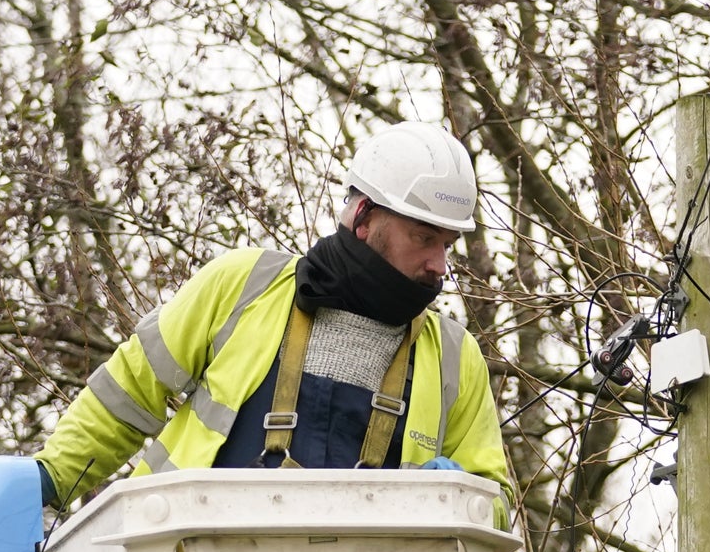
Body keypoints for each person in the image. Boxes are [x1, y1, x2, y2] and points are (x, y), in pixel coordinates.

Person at [36, 121, 513, 502]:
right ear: (365, 218)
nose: (439, 265)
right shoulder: (243, 286)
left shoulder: (453, 355)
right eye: (424, 238)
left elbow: (494, 503)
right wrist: (51, 480)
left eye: (447, 244)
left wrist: (463, 493)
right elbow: (127, 393)